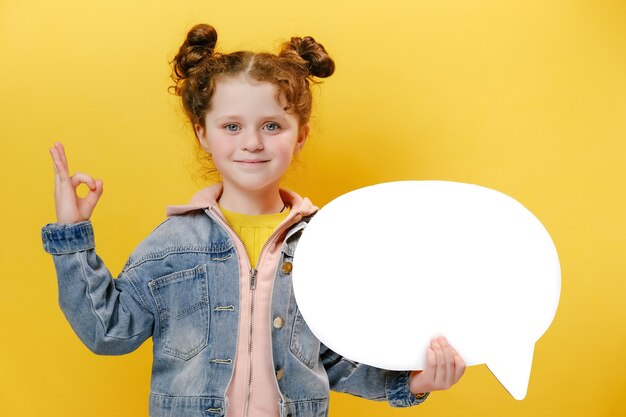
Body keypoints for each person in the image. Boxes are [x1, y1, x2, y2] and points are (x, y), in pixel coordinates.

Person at [41, 23, 465, 417]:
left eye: (272, 125)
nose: (252, 143)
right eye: (231, 125)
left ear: (300, 135)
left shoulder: (325, 245)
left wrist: (414, 381)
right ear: (202, 133)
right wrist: (72, 238)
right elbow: (108, 331)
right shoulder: (173, 243)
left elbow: (335, 359)